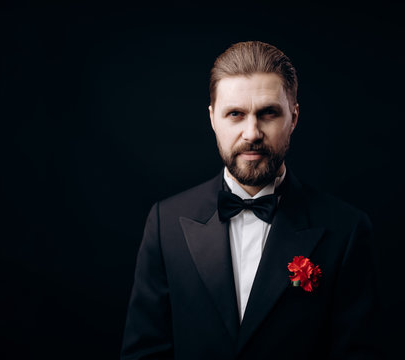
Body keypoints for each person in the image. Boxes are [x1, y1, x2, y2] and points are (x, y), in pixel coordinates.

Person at [120, 41, 381, 360]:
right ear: (214, 119)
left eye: (268, 113)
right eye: (235, 114)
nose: (252, 132)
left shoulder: (347, 230)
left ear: (294, 118)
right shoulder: (165, 223)